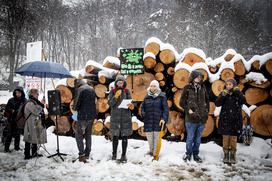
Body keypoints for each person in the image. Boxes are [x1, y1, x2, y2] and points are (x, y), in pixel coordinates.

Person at [180, 71, 209, 163]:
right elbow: (182, 102)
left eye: (200, 77)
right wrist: (188, 109)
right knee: (190, 138)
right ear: (192, 77)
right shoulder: (187, 88)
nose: (199, 78)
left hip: (202, 118)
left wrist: (206, 112)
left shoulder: (203, 88)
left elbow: (207, 102)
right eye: (197, 77)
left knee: (197, 139)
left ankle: (196, 154)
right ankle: (188, 154)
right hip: (190, 118)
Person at [215, 78, 246, 164]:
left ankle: (232, 154)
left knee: (233, 138)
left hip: (235, 119)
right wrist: (223, 95)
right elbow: (217, 103)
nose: (228, 86)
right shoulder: (224, 93)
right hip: (225, 118)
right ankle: (225, 154)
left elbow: (243, 101)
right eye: (227, 84)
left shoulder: (237, 93)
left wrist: (238, 92)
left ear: (234, 85)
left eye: (230, 84)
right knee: (226, 137)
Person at [108, 75, 134, 163]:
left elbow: (131, 102)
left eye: (121, 82)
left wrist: (131, 105)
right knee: (115, 137)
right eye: (118, 82)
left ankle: (123, 155)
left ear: (124, 83)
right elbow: (110, 104)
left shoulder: (127, 91)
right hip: (115, 117)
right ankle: (114, 154)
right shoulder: (112, 91)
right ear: (116, 83)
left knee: (124, 137)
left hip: (125, 117)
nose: (120, 84)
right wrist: (115, 96)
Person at [141, 80, 169, 159]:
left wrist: (164, 118)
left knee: (156, 140)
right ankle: (152, 152)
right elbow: (142, 108)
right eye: (152, 86)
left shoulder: (162, 97)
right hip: (148, 121)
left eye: (154, 86)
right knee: (150, 140)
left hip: (158, 122)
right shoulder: (146, 97)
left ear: (157, 87)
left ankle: (155, 155)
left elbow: (165, 109)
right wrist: (144, 114)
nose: (153, 88)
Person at [73, 79, 97, 163]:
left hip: (82, 116)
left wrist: (74, 108)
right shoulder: (91, 89)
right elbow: (95, 102)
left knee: (78, 135)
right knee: (88, 135)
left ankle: (81, 155)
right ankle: (87, 153)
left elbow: (77, 104)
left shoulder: (80, 89)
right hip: (91, 116)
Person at [23, 89, 47, 159]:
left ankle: (34, 153)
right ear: (33, 94)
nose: (38, 95)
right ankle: (27, 155)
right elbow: (36, 111)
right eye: (37, 94)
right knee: (28, 139)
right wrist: (41, 105)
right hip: (30, 123)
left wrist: (41, 104)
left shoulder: (34, 102)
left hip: (34, 122)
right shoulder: (30, 103)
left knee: (34, 137)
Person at [4, 86, 27, 152]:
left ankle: (16, 147)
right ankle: (6, 148)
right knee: (9, 134)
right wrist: (11, 110)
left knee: (17, 134)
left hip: (19, 120)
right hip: (11, 120)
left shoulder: (24, 100)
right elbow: (7, 108)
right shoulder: (11, 100)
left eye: (19, 92)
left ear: (22, 93)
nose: (18, 94)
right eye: (16, 92)